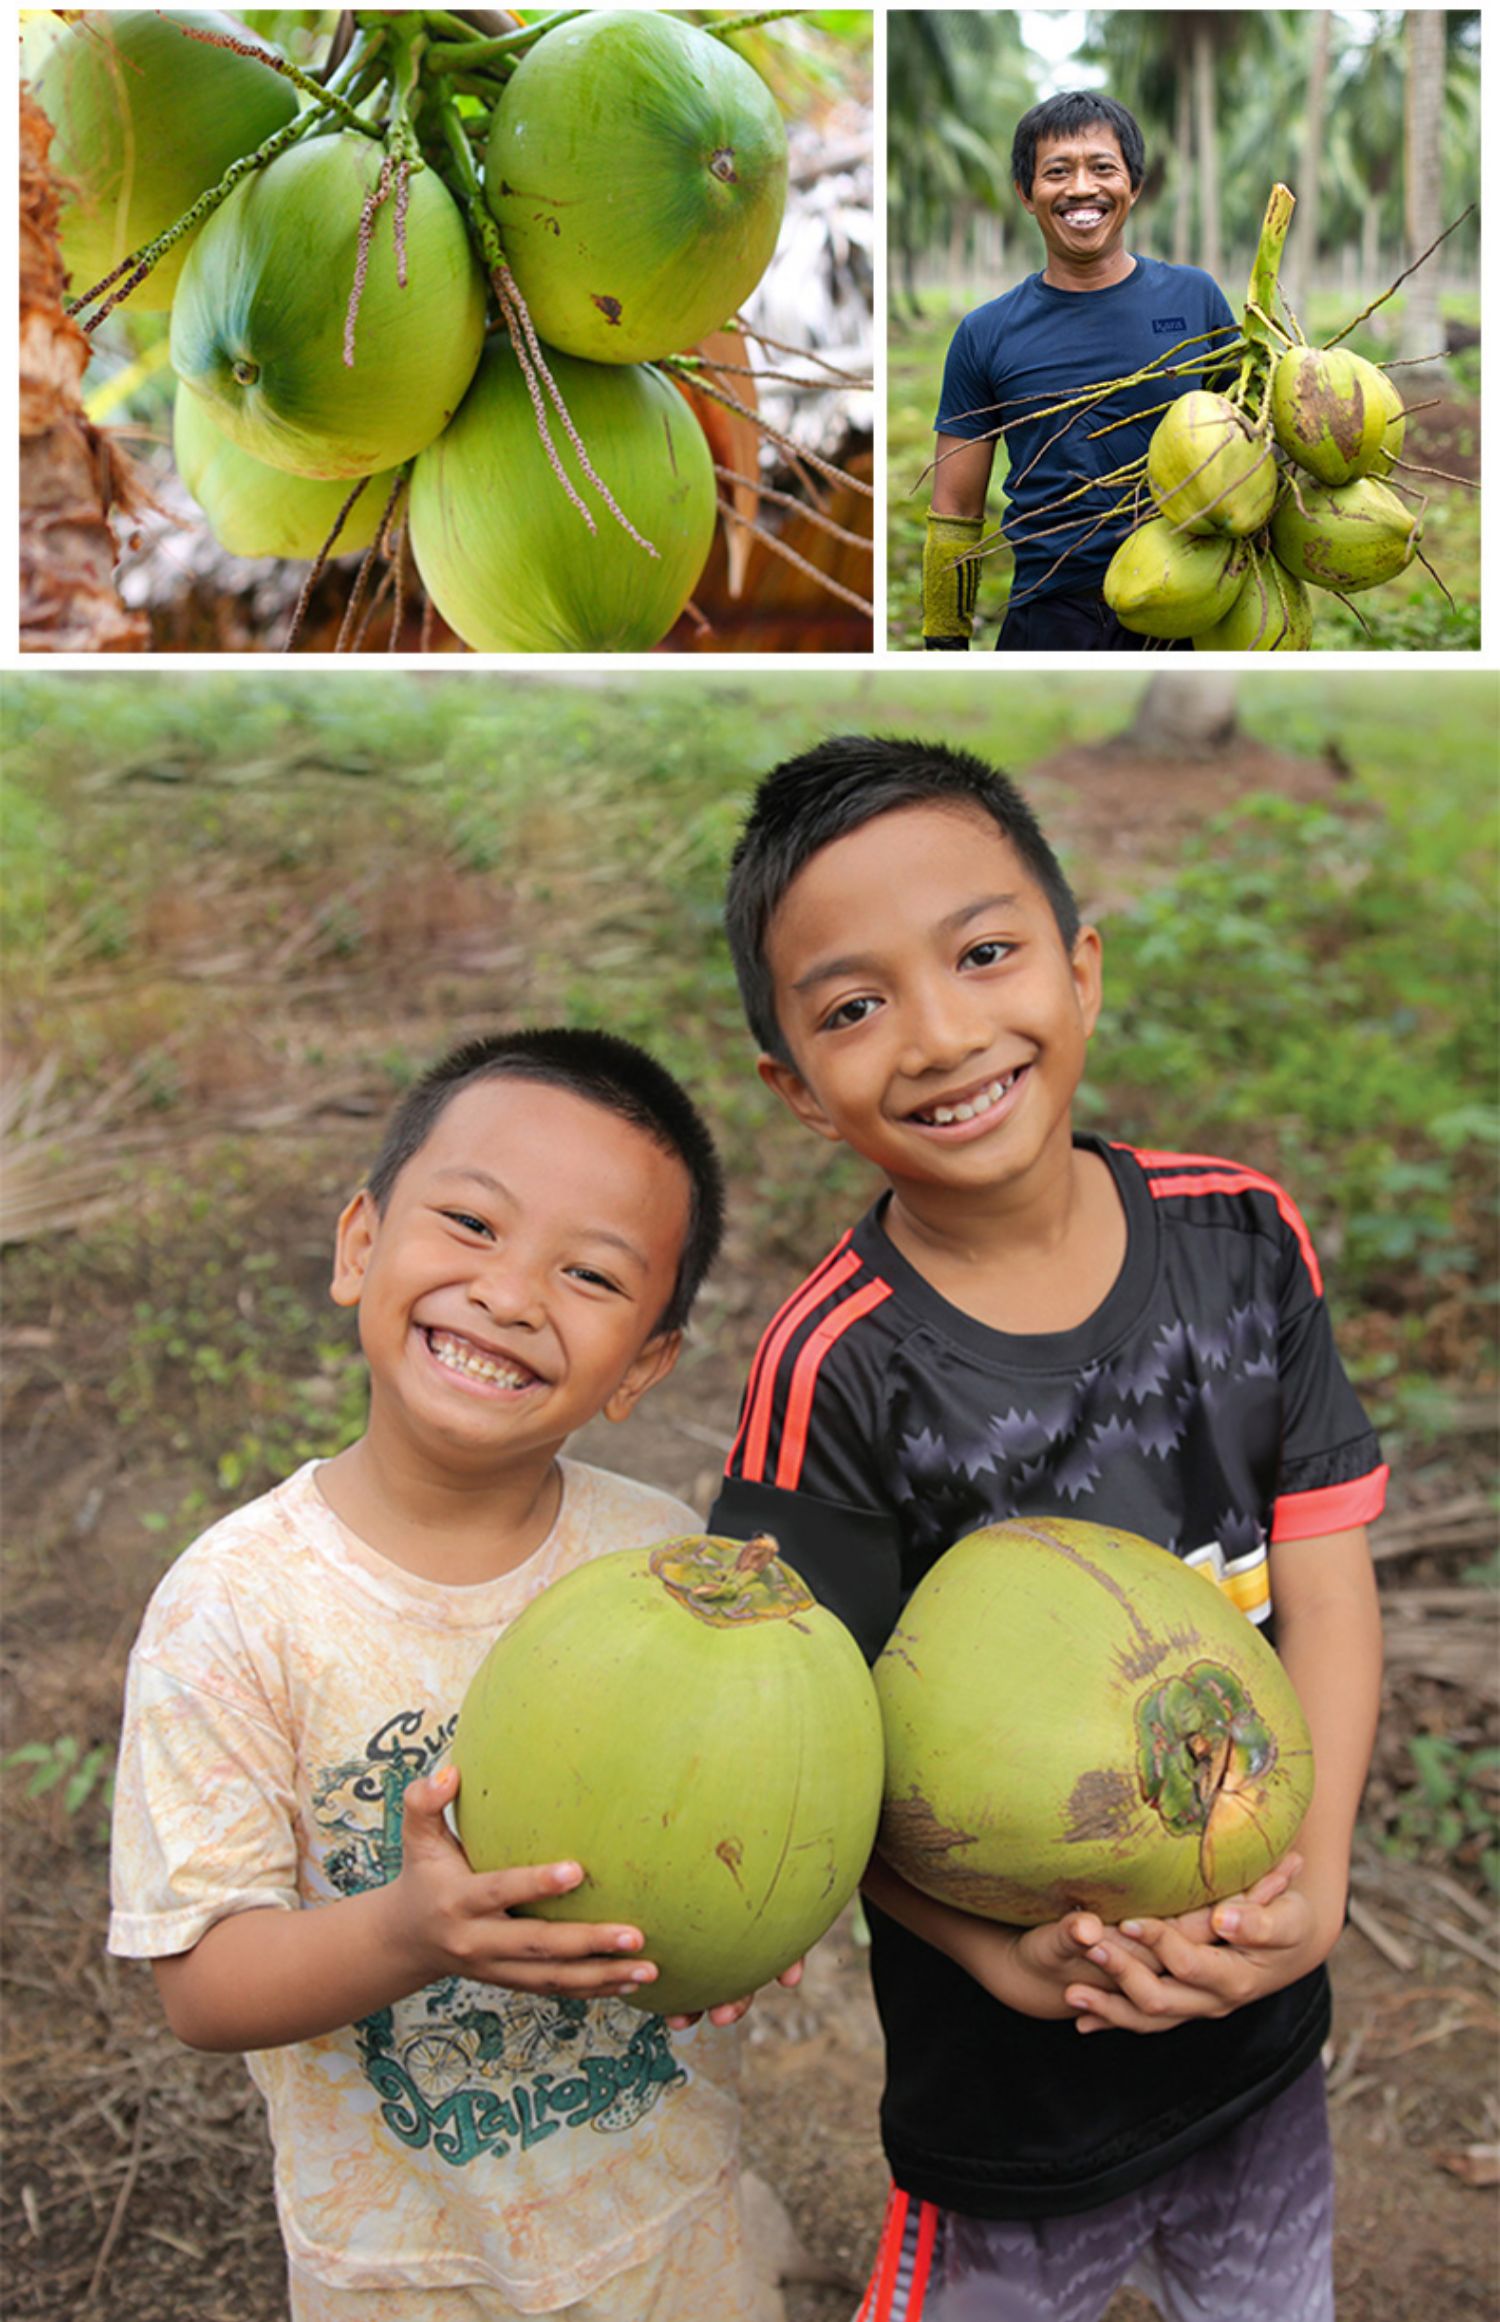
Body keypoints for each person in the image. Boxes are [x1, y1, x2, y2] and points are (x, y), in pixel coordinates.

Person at [709, 737, 1387, 2322]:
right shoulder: (837, 1367)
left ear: (1080, 969)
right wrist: (985, 1947)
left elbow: (1327, 1581)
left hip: (1262, 2038)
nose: (941, 1034)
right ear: (796, 1089)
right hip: (1008, 2092)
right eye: (854, 1005)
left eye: (985, 952)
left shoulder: (1243, 1235)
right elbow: (804, 1742)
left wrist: (1324, 1870)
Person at [109, 1026, 781, 2322]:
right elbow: (202, 1981)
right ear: (362, 1243)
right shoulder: (236, 1604)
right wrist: (407, 1931)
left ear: (645, 1361)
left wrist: (751, 1908)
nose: (512, 1292)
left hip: (675, 2231)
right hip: (407, 2273)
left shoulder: (658, 1559)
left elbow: (739, 1807)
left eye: (589, 1273)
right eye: (471, 1223)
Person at [922, 93, 1239, 654]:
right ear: (1026, 194)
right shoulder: (985, 332)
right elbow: (954, 508)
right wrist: (945, 641)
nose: (1081, 189)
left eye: (1102, 168)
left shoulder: (1196, 299)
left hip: (1185, 603)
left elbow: (1248, 446)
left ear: (1133, 186)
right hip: (1049, 612)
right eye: (1057, 172)